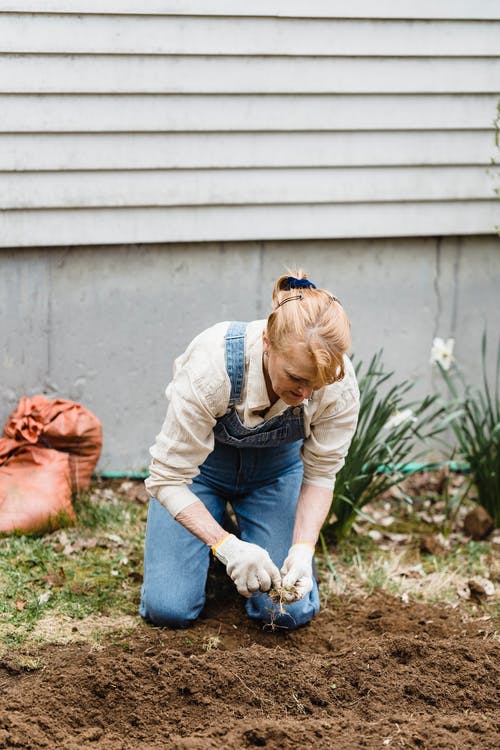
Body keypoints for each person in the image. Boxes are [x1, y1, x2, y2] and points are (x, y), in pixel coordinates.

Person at [140, 270, 360, 630]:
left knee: (289, 610)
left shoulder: (338, 383)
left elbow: (321, 474)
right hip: (201, 472)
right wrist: (227, 547)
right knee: (169, 609)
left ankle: (244, 540)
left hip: (275, 474)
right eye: (296, 378)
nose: (306, 393)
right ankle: (217, 543)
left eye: (315, 384)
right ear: (267, 342)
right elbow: (167, 479)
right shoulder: (212, 365)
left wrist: (303, 550)